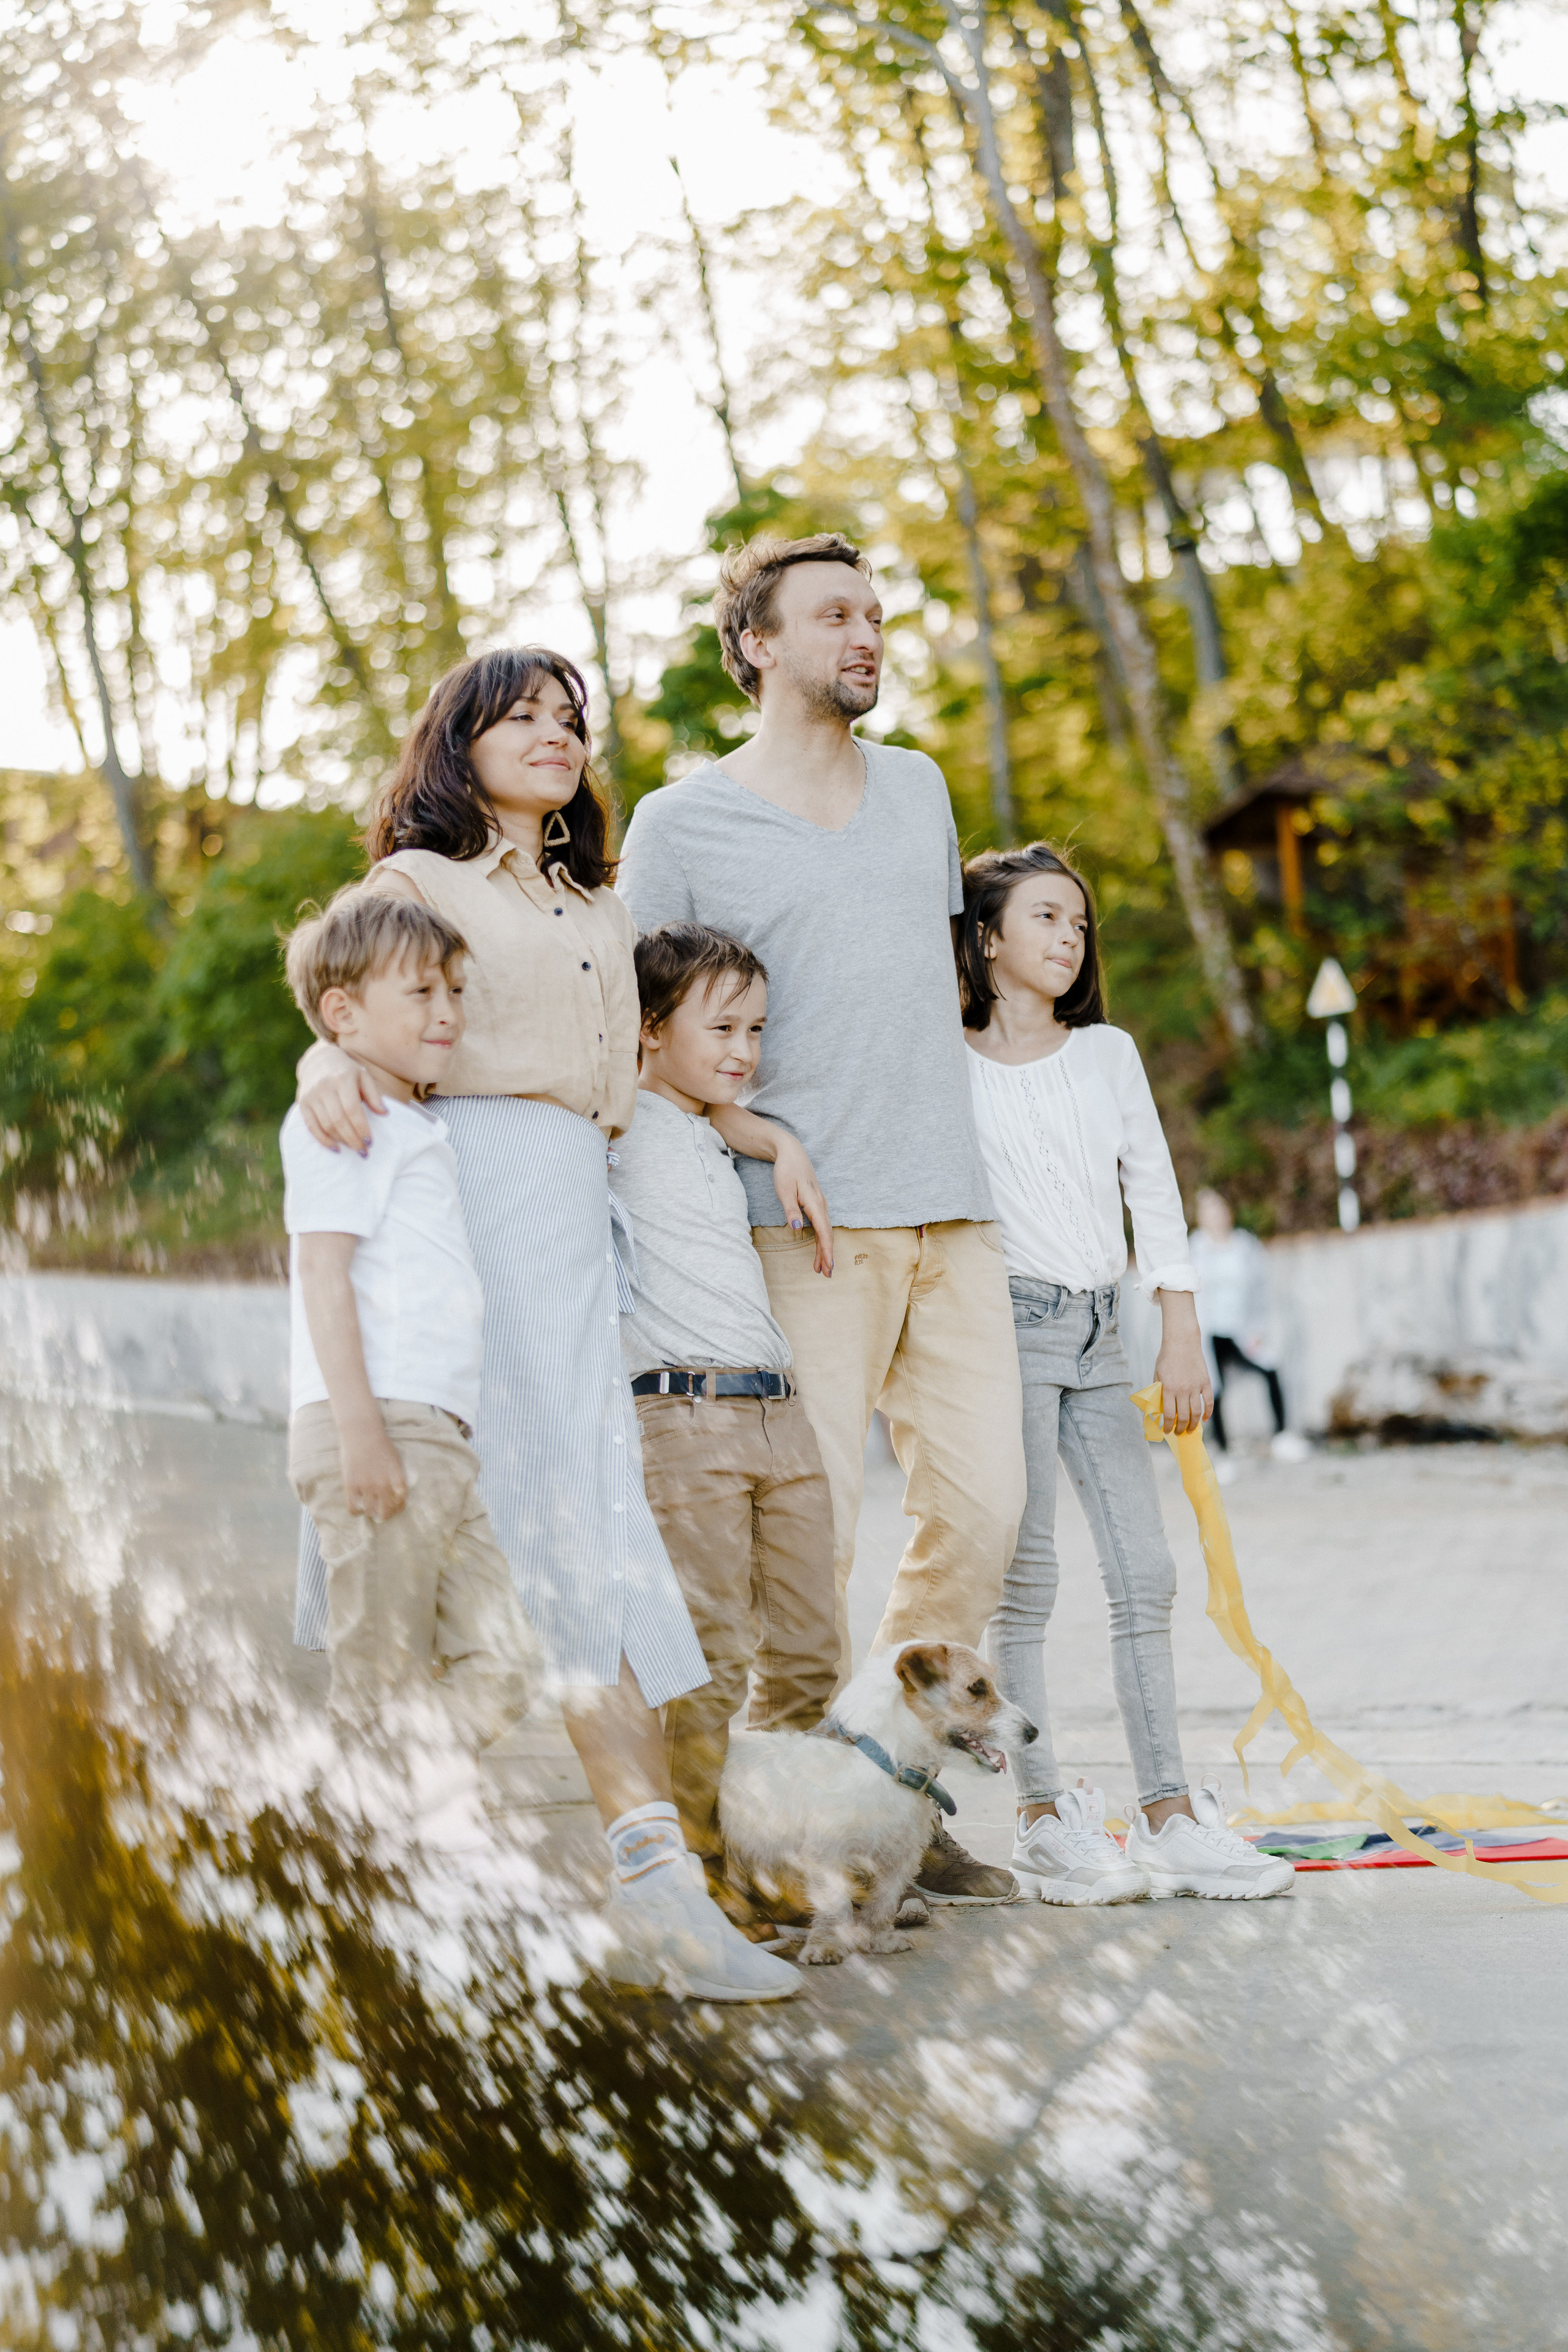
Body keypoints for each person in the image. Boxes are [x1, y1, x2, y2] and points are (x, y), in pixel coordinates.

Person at [290, 646, 801, 2002]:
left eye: (570, 718)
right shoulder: (419, 884)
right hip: (479, 1208)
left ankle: (639, 1883)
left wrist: (744, 1117)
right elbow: (351, 1004)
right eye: (520, 714)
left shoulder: (601, 901)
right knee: (550, 1539)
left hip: (584, 1215)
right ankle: (632, 1889)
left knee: (591, 1539)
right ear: (457, 740)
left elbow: (642, 1062)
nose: (554, 734)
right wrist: (321, 1058)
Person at [618, 531, 1024, 1907]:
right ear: (757, 646)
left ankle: (893, 1798)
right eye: (834, 614)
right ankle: (768, 1849)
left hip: (953, 1219)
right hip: (803, 1235)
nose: (866, 635)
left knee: (981, 1513)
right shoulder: (681, 824)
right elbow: (637, 1032)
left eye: (874, 613)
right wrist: (750, 1126)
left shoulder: (918, 790)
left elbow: (941, 996)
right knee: (813, 1549)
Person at [960, 842, 1294, 1904]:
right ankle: (1044, 1818)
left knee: (1145, 1573)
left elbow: (1154, 1191)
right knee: (1027, 1582)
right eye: (1046, 918)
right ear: (988, 938)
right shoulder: (942, 1057)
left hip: (1106, 1333)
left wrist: (1179, 1327)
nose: (1068, 938)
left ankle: (1167, 1815)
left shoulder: (1107, 1054)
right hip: (1000, 1330)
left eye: (1078, 923)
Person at [611, 921, 838, 1918]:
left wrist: (775, 1136)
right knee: (704, 1654)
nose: (745, 1050)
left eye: (755, 1028)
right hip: (682, 1414)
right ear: (650, 1030)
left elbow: (732, 1111)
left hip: (777, 1411)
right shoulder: (611, 1116)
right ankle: (699, 1871)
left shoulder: (710, 1122)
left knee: (808, 1649)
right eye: (722, 1028)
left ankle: (763, 1844)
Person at [281, 888, 543, 1743]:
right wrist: (362, 1432)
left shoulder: (408, 1121)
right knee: (379, 1681)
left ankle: (400, 1813)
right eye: (422, 993)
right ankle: (358, 1850)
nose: (448, 1013)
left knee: (501, 1666)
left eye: (455, 991)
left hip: (436, 1435)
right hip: (375, 1418)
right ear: (342, 1012)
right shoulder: (347, 1120)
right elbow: (321, 1274)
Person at [1189, 1188, 1303, 1460]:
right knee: (1215, 1389)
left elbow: (1260, 1289)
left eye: (1219, 1210)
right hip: (1210, 1331)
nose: (1216, 1217)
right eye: (1209, 1212)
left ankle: (1282, 1436)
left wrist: (1258, 1328)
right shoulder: (1196, 1248)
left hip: (1241, 1329)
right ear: (1201, 1218)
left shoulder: (1245, 1244)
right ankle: (1222, 1449)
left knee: (1270, 1368)